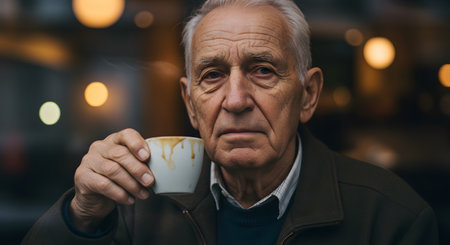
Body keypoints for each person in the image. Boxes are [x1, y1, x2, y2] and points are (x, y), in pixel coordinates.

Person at [22, 0, 439, 244]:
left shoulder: (390, 218)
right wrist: (80, 216)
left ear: (308, 95)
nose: (235, 100)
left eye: (262, 70)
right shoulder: (136, 206)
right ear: (190, 103)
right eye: (213, 75)